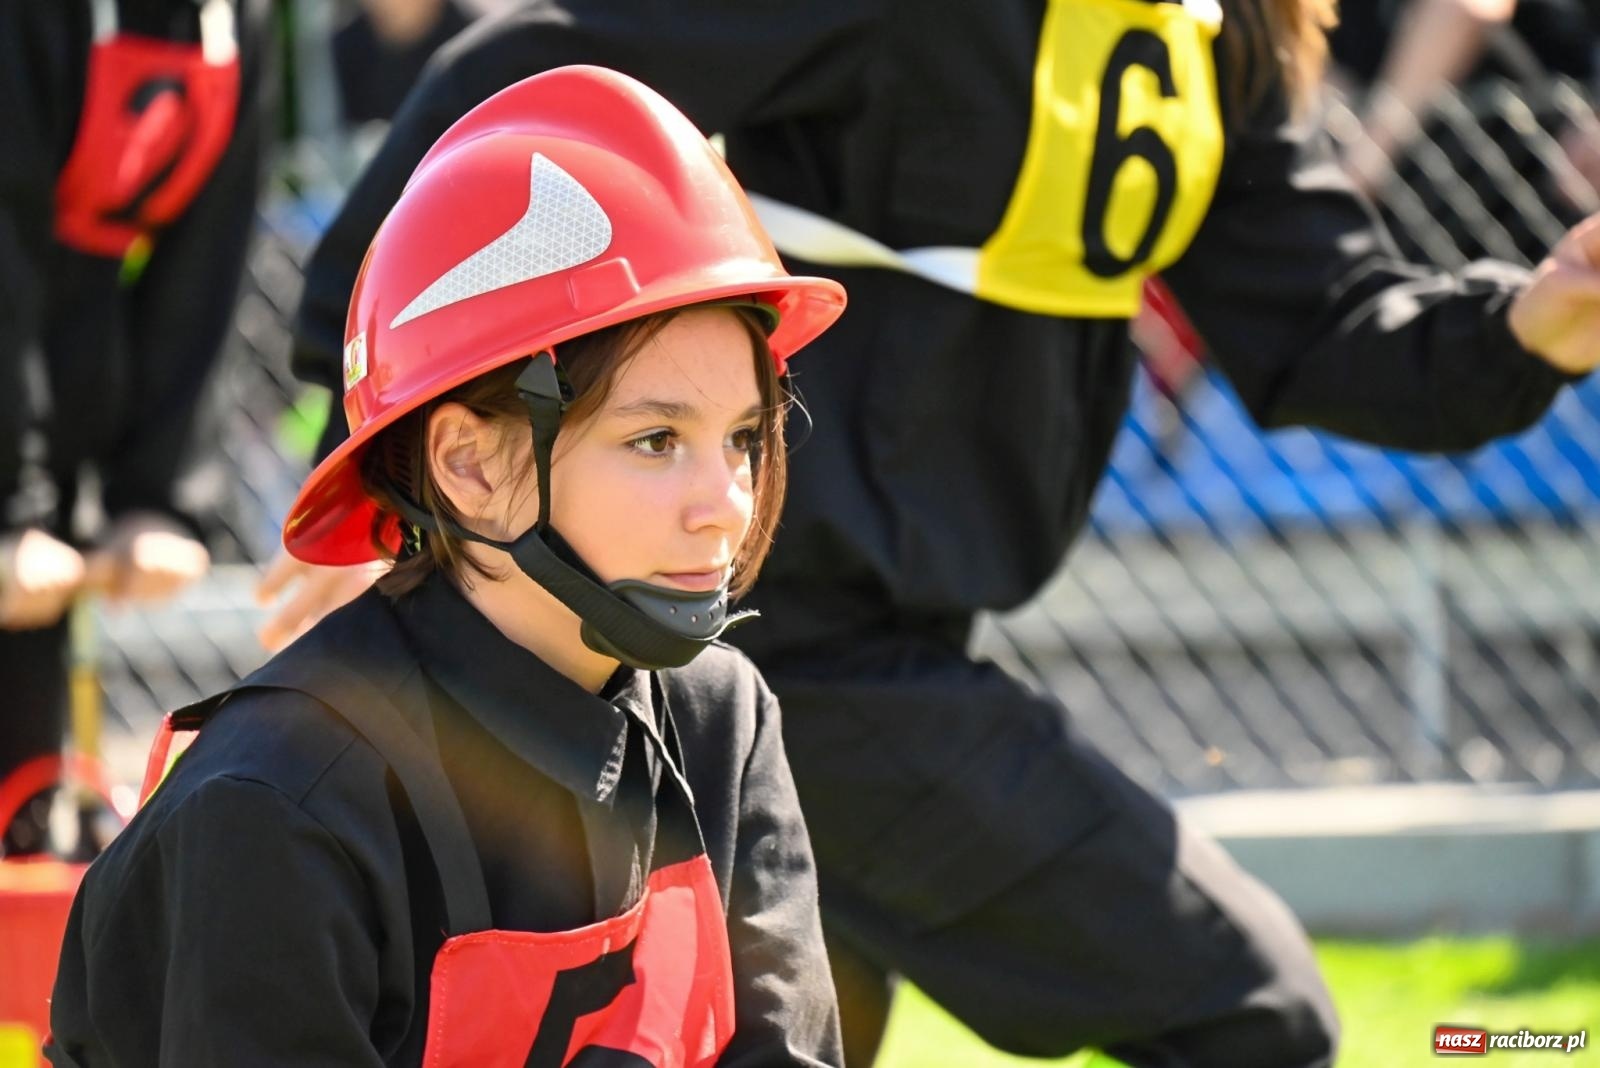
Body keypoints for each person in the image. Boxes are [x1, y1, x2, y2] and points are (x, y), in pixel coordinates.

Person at [274, 1, 1600, 1064]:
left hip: (876, 649)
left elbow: (1316, 324)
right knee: (1254, 1008)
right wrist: (386, 442)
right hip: (786, 642)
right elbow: (532, 74)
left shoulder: (1210, 38)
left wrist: (1526, 323)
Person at [47, 65, 846, 1066]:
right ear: (469, 465)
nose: (724, 502)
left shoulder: (721, 723)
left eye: (740, 438)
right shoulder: (274, 806)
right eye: (653, 441)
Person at [0, 0, 272, 853]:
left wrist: (158, 492)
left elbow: (208, 261)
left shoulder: (241, 24)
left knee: (22, 805)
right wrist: (10, 503)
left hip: (63, 386)